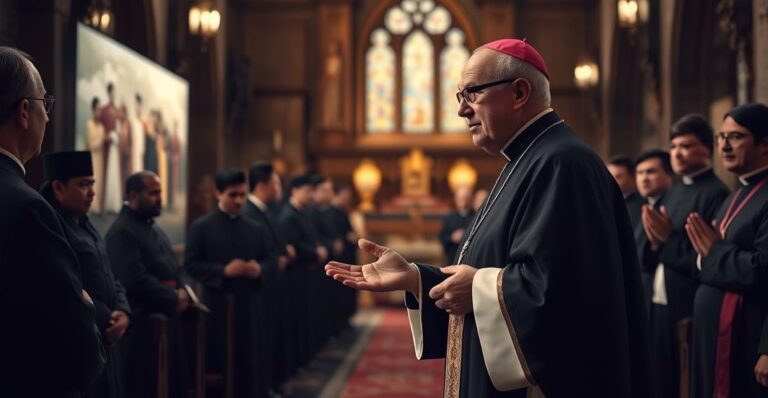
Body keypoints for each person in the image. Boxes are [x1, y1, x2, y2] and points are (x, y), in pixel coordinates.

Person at [325, 38, 651, 397]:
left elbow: (564, 294)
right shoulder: (526, 160)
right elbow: (493, 267)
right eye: (458, 97)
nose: (462, 110)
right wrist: (417, 279)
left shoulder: (561, 164)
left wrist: (478, 289)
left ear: (519, 93)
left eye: (472, 93)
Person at [0, 46, 104, 395]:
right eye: (46, 102)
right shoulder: (28, 208)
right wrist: (86, 306)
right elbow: (72, 330)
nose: (49, 115)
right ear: (25, 112)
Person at [638, 115, 730, 398]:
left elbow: (707, 260)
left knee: (685, 383)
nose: (676, 152)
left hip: (688, 304)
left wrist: (666, 240)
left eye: (686, 145)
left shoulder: (717, 193)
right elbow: (653, 249)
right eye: (674, 145)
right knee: (658, 380)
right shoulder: (674, 190)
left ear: (707, 149)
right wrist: (654, 244)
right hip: (658, 301)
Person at [685, 103, 768, 398]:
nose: (724, 145)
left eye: (735, 137)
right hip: (715, 332)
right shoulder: (737, 195)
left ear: (765, 144)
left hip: (746, 335)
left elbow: (763, 269)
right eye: (721, 137)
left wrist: (713, 253)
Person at [41, 151, 132, 398]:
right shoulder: (51, 225)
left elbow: (110, 273)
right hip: (82, 340)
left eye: (92, 184)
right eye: (83, 185)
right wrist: (106, 318)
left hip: (107, 335)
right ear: (58, 187)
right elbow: (63, 285)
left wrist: (123, 310)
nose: (92, 192)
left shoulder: (85, 223)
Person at [186, 170, 271, 398]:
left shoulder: (255, 227)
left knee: (248, 362)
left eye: (243, 195)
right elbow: (191, 265)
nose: (238, 201)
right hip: (216, 307)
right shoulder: (202, 227)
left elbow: (269, 261)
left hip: (248, 306)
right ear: (218, 193)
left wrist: (259, 269)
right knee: (220, 362)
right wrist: (223, 271)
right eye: (232, 195)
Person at [105, 171, 190, 398]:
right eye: (153, 193)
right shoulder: (122, 231)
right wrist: (173, 298)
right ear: (134, 195)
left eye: (160, 192)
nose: (160, 198)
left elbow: (175, 266)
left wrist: (184, 291)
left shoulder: (154, 228)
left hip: (166, 320)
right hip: (143, 328)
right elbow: (134, 280)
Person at [243, 162, 291, 391]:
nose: (279, 188)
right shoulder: (249, 213)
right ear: (262, 185)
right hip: (258, 291)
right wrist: (275, 262)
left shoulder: (264, 211)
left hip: (270, 287)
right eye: (276, 183)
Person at [634, 150, 674, 307]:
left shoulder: (670, 206)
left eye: (650, 172)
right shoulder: (642, 205)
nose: (644, 178)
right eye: (640, 173)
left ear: (668, 173)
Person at [439, 186, 475, 264]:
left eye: (466, 198)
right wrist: (452, 237)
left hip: (471, 260)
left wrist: (465, 234)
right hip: (453, 257)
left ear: (471, 199)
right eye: (461, 198)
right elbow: (442, 237)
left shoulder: (476, 216)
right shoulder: (449, 218)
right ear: (456, 199)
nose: (464, 201)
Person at [608, 154, 644, 229]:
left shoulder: (643, 206)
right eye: (609, 176)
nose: (611, 181)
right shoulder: (605, 202)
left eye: (618, 177)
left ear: (632, 177)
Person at [86, 97, 106, 213]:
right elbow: (90, 144)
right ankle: (92, 206)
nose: (99, 111)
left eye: (100, 109)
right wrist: (101, 140)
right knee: (93, 180)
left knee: (99, 181)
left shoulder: (102, 127)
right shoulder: (89, 124)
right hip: (92, 157)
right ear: (93, 109)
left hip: (99, 157)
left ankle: (97, 207)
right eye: (97, 109)